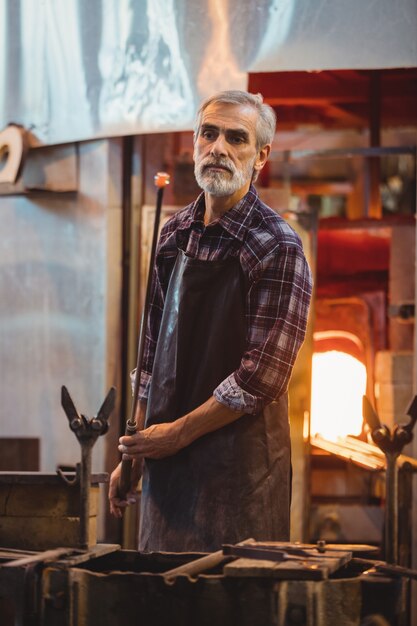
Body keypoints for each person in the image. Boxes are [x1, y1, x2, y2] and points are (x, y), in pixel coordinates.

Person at [109, 90, 313, 552]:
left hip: (237, 479)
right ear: (196, 141)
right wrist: (138, 451)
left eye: (236, 138)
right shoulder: (173, 234)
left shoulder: (276, 245)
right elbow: (151, 357)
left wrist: (175, 436)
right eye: (209, 133)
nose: (218, 147)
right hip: (167, 469)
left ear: (260, 156)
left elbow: (260, 379)